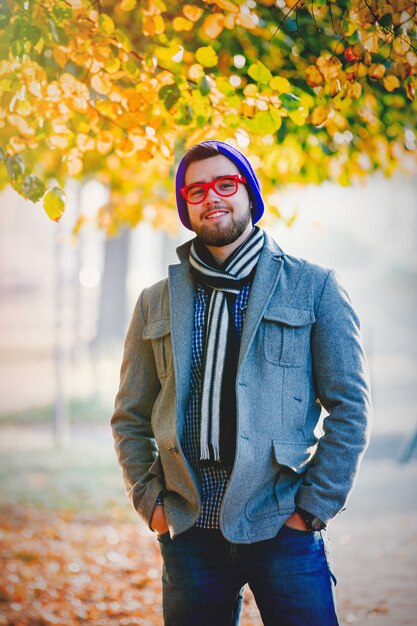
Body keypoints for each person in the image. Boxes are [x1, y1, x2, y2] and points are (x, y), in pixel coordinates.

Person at [111, 140, 372, 626]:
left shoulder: (314, 287)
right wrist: (150, 504)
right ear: (186, 208)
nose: (212, 197)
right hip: (189, 532)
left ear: (249, 194)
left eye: (225, 184)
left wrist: (312, 509)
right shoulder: (154, 301)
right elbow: (129, 414)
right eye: (196, 190)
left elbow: (351, 407)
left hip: (283, 526)